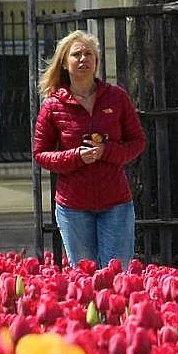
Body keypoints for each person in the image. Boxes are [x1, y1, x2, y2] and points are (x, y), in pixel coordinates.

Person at [33, 30, 146, 269]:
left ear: (96, 61)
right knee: (85, 278)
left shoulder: (116, 97)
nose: (83, 59)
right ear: (65, 62)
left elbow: (137, 142)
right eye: (77, 55)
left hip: (116, 203)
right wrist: (76, 157)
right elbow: (40, 154)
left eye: (89, 54)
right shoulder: (53, 105)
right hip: (73, 206)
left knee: (116, 275)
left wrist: (106, 151)